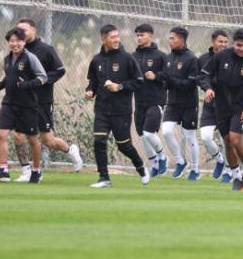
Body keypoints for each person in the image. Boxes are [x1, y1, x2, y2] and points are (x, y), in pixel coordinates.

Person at [11, 19, 82, 181]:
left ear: (34, 30)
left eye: (24, 30)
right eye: (18, 30)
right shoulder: (16, 49)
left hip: (42, 101)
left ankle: (70, 150)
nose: (21, 34)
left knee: (48, 141)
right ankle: (28, 171)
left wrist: (41, 80)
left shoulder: (46, 49)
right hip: (23, 101)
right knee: (19, 136)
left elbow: (60, 70)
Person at [85, 24, 149, 188]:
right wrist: (90, 91)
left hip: (121, 111)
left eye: (117, 36)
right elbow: (93, 81)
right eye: (113, 37)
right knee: (99, 141)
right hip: (101, 109)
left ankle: (140, 166)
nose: (116, 40)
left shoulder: (127, 58)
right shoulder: (96, 60)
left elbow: (139, 81)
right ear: (103, 38)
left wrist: (119, 87)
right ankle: (104, 178)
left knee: (124, 146)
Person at [199, 28, 243, 192]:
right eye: (239, 45)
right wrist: (208, 88)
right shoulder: (221, 57)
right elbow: (203, 75)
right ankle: (237, 177)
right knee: (227, 142)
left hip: (239, 108)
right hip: (221, 106)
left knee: (235, 139)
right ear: (234, 44)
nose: (242, 48)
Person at [0, 27, 47, 184]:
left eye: (19, 41)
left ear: (24, 42)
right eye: (12, 41)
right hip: (9, 103)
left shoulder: (30, 58)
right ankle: (3, 171)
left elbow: (43, 78)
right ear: (8, 42)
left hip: (27, 105)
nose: (15, 44)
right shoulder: (7, 59)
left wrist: (27, 84)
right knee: (1, 134)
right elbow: (9, 78)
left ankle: (36, 170)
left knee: (32, 139)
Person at [160, 26, 200, 180]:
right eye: (169, 38)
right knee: (166, 131)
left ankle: (195, 169)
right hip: (172, 103)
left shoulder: (191, 59)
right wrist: (164, 82)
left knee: (190, 137)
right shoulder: (168, 58)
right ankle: (180, 161)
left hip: (189, 104)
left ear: (181, 40)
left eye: (173, 38)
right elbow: (167, 81)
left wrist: (171, 81)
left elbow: (190, 84)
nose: (170, 41)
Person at [131, 23, 168, 177]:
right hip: (139, 102)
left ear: (151, 35)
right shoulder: (132, 57)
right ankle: (154, 164)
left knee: (148, 133)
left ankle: (162, 157)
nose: (139, 38)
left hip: (156, 101)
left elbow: (168, 78)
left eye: (143, 35)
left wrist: (156, 77)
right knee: (141, 135)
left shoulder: (161, 56)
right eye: (138, 35)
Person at [198, 30, 229, 181]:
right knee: (205, 137)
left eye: (225, 42)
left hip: (228, 107)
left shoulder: (232, 59)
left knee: (227, 139)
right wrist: (208, 88)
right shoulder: (204, 59)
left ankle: (230, 170)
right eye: (220, 42)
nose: (223, 45)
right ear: (213, 42)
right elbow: (201, 77)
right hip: (210, 106)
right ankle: (220, 159)